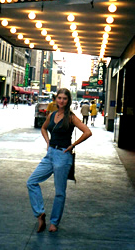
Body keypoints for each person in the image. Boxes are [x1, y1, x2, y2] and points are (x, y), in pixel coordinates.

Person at [27, 88, 92, 233]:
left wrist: (72, 145)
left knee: (59, 192)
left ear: (68, 101)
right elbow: (44, 128)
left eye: (64, 98)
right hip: (50, 154)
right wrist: (47, 142)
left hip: (63, 155)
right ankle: (40, 213)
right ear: (56, 99)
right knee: (31, 182)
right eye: (59, 98)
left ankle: (54, 222)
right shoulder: (52, 115)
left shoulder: (71, 117)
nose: (61, 101)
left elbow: (88, 132)